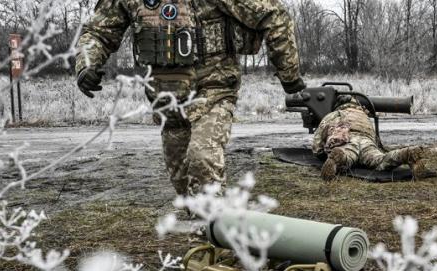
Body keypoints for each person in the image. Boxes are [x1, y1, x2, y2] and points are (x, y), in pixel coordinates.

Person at [75, 0, 306, 196]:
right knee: (182, 180)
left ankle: (211, 231)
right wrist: (87, 64)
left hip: (213, 89)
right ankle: (204, 223)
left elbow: (273, 15)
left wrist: (289, 74)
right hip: (167, 99)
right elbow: (98, 31)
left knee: (202, 159)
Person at [312, 96, 426, 181]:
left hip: (349, 139)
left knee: (348, 157)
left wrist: (320, 153)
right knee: (380, 160)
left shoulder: (336, 113)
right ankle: (407, 154)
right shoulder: (363, 115)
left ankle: (339, 157)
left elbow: (318, 139)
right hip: (367, 141)